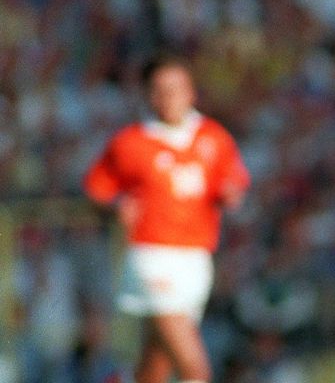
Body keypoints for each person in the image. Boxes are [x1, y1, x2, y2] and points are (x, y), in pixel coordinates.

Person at [83, 55, 250, 383]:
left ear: (191, 92)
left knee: (155, 367)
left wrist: (231, 195)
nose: (168, 97)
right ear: (148, 94)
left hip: (196, 258)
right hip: (152, 256)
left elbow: (233, 184)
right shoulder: (130, 142)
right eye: (159, 90)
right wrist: (115, 207)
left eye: (175, 88)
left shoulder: (213, 138)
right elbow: (96, 189)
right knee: (194, 367)